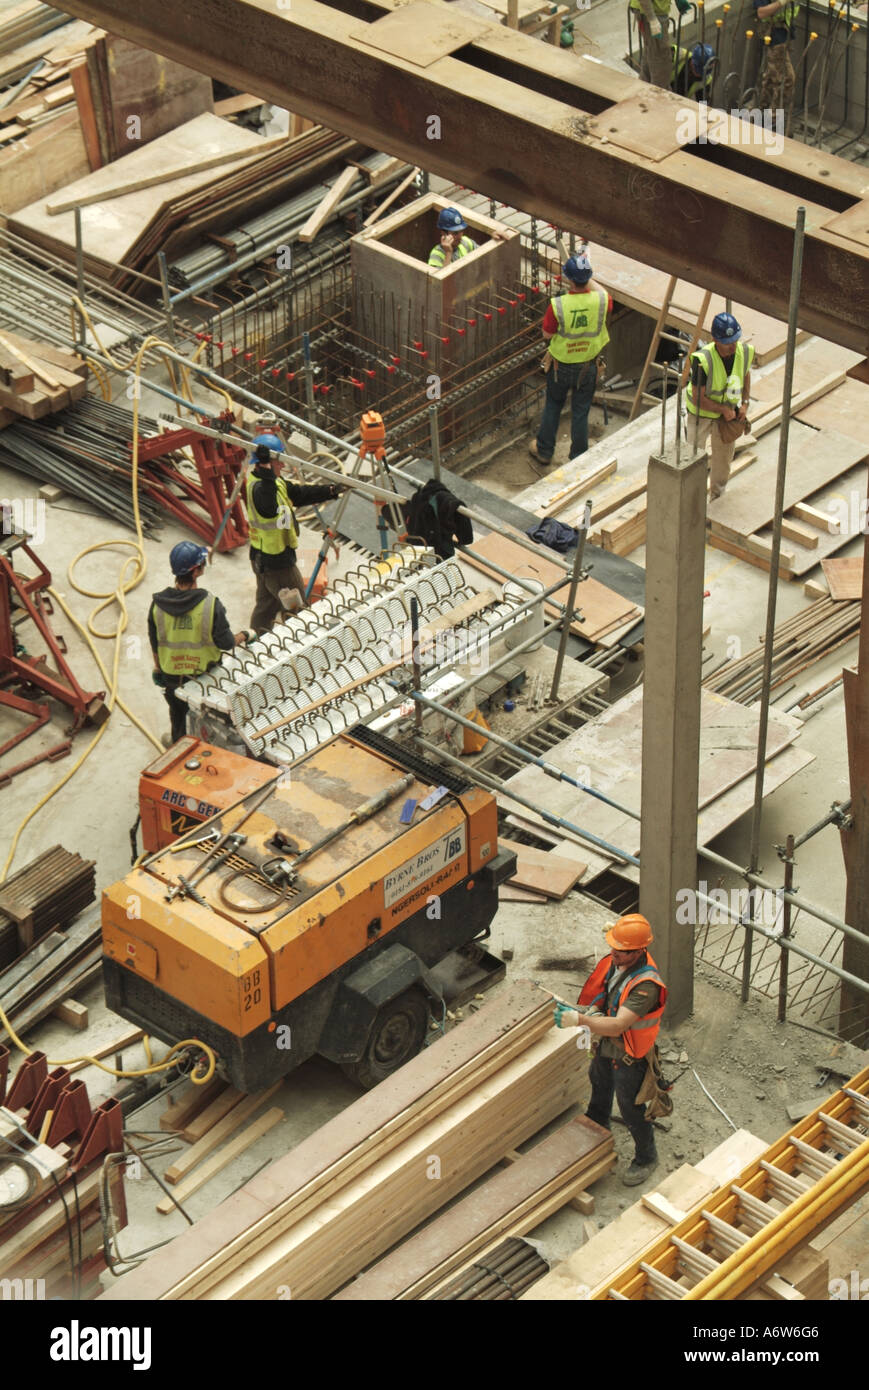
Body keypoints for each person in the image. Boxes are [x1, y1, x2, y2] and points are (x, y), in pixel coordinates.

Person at [570, 914, 667, 1186]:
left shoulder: (647, 985)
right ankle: (598, 1123)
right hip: (606, 1043)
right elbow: (608, 995)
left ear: (639, 951)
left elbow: (619, 1025)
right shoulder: (618, 962)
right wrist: (594, 1011)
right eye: (613, 947)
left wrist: (581, 1020)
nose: (614, 954)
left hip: (629, 1053)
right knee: (599, 1082)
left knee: (630, 1106)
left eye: (622, 952)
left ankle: (647, 1157)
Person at [149, 541, 248, 746]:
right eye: (201, 562)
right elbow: (226, 643)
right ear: (196, 571)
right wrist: (246, 635)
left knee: (178, 717)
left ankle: (179, 746)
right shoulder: (210, 604)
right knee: (213, 719)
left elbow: (154, 642)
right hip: (206, 676)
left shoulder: (157, 605)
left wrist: (158, 669)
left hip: (172, 677)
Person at [246, 443, 345, 634]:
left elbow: (299, 494)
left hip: (263, 557)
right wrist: (267, 469)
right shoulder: (261, 488)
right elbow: (267, 506)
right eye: (278, 461)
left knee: (266, 605)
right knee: (298, 610)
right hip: (277, 561)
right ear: (265, 463)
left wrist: (330, 491)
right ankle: (302, 644)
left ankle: (254, 642)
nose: (282, 466)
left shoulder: (274, 482)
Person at [529, 254, 612, 467]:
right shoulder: (601, 300)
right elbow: (604, 293)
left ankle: (545, 451)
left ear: (568, 279)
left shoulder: (558, 305)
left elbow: (547, 335)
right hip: (588, 367)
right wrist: (587, 275)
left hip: (561, 368)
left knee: (554, 405)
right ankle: (578, 458)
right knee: (581, 411)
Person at [686, 312, 755, 500]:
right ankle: (693, 496)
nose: (732, 346)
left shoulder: (743, 351)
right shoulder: (702, 360)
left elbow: (746, 374)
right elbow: (698, 398)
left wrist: (745, 403)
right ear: (716, 339)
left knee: (723, 459)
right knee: (693, 456)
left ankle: (717, 495)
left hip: (727, 413)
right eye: (727, 342)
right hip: (700, 414)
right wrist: (723, 410)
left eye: (735, 340)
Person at [630, 0, 691, 89]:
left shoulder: (704, 82)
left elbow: (703, 101)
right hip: (651, 12)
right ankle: (658, 94)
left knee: (651, 54)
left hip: (655, 12)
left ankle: (642, 90)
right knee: (661, 61)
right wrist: (652, 19)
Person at [753, 0, 800, 113]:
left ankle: (760, 111)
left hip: (784, 33)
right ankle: (773, 117)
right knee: (787, 79)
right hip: (774, 35)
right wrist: (781, 2)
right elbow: (761, 13)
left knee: (771, 77)